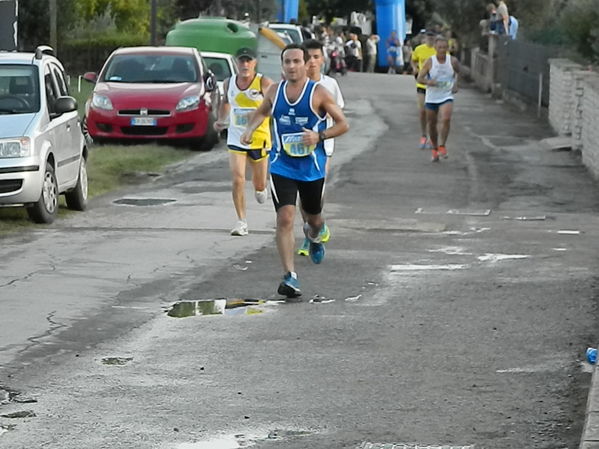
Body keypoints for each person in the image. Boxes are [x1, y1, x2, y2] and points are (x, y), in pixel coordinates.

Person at [240, 43, 349, 298]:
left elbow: (343, 124)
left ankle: (315, 234)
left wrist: (319, 136)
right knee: (285, 218)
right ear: (282, 66)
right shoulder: (275, 91)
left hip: (311, 167)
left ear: (305, 64)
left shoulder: (318, 93)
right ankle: (290, 277)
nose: (291, 66)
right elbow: (262, 112)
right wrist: (249, 130)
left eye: (296, 61)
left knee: (313, 217)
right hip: (281, 164)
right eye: (287, 62)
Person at [214, 47, 273, 236]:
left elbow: (274, 107)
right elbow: (225, 102)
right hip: (235, 137)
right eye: (241, 61)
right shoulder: (229, 82)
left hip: (259, 138)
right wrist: (220, 120)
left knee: (259, 185)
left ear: (255, 63)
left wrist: (256, 114)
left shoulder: (264, 82)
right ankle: (241, 221)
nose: (245, 65)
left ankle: (262, 187)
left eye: (248, 61)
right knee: (238, 179)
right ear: (236, 63)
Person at [296, 39, 345, 257]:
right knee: (299, 195)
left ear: (323, 59)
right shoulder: (294, 84)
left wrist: (322, 135)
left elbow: (339, 117)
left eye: (316, 57)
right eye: (309, 58)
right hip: (296, 147)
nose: (312, 62)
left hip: (323, 148)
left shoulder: (330, 85)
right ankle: (310, 233)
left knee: (315, 194)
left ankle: (315, 228)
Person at [416, 36, 461, 162]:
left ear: (448, 48)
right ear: (435, 48)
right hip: (431, 97)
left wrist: (456, 84)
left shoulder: (453, 61)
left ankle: (442, 146)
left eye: (444, 48)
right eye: (440, 48)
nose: (442, 50)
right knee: (432, 124)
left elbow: (458, 72)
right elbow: (419, 78)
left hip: (446, 94)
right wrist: (428, 82)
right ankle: (435, 148)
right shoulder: (430, 62)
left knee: (446, 118)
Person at [411, 30, 437, 149]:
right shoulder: (419, 49)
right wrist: (415, 68)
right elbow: (413, 60)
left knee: (432, 114)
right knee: (422, 111)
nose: (430, 39)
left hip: (435, 86)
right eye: (428, 37)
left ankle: (432, 137)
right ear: (425, 38)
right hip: (422, 84)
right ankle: (423, 135)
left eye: (432, 37)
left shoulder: (439, 50)